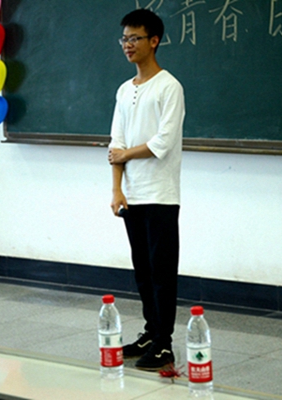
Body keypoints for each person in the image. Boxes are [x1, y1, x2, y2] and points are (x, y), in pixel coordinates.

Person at [108, 8, 185, 371]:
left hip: (161, 194)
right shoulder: (124, 90)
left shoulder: (169, 87)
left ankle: (164, 344)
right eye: (124, 39)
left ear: (154, 41)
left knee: (161, 272)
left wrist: (126, 154)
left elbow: (162, 143)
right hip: (132, 195)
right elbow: (116, 144)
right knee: (142, 271)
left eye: (134, 38)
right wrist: (116, 190)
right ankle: (150, 333)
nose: (128, 45)